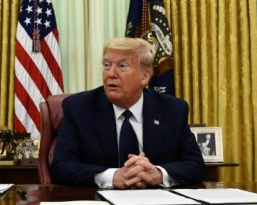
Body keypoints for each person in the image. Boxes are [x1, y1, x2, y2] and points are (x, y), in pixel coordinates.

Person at [50, 37, 205, 188]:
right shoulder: (79, 108)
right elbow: (61, 167)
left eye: (122, 66)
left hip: (155, 203)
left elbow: (195, 165)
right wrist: (112, 177)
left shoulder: (172, 110)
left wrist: (158, 174)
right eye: (106, 65)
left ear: (144, 77)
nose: (111, 73)